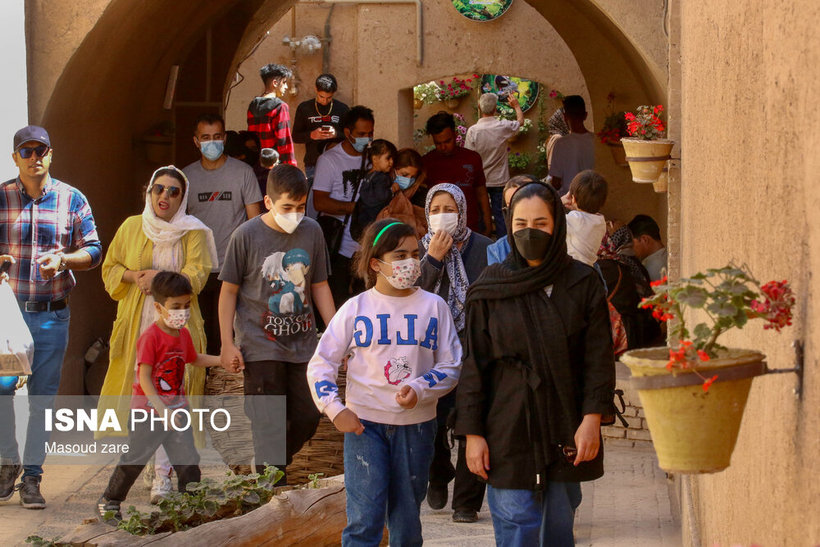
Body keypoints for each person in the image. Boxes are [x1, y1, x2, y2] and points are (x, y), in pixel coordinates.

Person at [455, 181, 615, 546]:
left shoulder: (583, 281)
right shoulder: (489, 287)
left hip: (565, 416)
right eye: (521, 223)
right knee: (515, 521)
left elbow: (598, 357)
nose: (530, 232)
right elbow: (474, 365)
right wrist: (472, 434)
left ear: (557, 224)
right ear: (509, 225)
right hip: (505, 421)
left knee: (558, 525)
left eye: (541, 224)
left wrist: (593, 419)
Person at [307, 219, 462, 546]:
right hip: (365, 428)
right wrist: (335, 410)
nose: (410, 262)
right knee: (364, 521)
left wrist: (420, 388)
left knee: (406, 522)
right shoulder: (354, 309)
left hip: (417, 428)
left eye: (414, 254)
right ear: (376, 263)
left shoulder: (435, 307)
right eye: (400, 255)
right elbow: (321, 363)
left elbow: (451, 365)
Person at [97, 166, 217, 502]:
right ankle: (148, 464)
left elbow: (198, 273)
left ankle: (162, 475)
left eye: (174, 191)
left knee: (173, 394)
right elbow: (110, 268)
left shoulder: (193, 231)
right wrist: (135, 276)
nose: (165, 196)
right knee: (145, 398)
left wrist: (161, 279)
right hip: (141, 323)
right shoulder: (132, 226)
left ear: (183, 197)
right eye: (159, 189)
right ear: (149, 192)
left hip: (178, 326)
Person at [0, 126, 102, 509]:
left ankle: (33, 478)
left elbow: (94, 251)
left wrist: (63, 259)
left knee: (42, 400)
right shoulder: (2, 196)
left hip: (50, 316)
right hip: (9, 321)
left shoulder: (72, 199)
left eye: (40, 150)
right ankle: (7, 461)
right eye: (25, 151)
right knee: (2, 390)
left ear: (50, 155)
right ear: (15, 158)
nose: (33, 158)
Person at [219, 164, 335, 479]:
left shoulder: (312, 231)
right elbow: (228, 292)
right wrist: (227, 344)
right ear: (268, 202)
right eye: (287, 207)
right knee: (267, 423)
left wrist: (338, 335)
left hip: (303, 345)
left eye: (301, 207)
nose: (295, 214)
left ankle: (271, 470)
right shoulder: (245, 236)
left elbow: (319, 285)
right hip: (259, 345)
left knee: (308, 416)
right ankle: (271, 487)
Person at [96, 271, 226, 523]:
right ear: (159, 307)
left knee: (188, 462)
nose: (182, 312)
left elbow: (195, 358)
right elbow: (143, 377)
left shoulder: (184, 335)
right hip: (148, 413)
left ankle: (192, 507)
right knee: (134, 459)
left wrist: (221, 360)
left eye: (186, 306)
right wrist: (160, 410)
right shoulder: (150, 337)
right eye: (176, 307)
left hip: (178, 412)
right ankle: (110, 501)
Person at [418, 184, 491, 524]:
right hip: (431, 353)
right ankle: (438, 470)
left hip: (474, 348)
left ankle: (466, 502)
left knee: (471, 422)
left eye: (449, 208)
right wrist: (433, 257)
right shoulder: (416, 252)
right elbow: (411, 295)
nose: (441, 215)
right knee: (431, 423)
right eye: (435, 209)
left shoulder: (485, 249)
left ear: (461, 212)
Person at [183, 113, 264, 356]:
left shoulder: (243, 173)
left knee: (235, 336)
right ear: (196, 141)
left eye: (217, 137)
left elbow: (255, 222)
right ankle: (206, 389)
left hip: (234, 269)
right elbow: (177, 226)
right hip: (198, 269)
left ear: (225, 138)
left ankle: (232, 388)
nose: (212, 142)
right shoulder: (185, 177)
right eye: (205, 138)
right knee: (202, 335)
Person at [312, 105, 374, 308]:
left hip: (368, 248)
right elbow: (319, 202)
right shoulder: (329, 160)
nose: (367, 138)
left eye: (370, 133)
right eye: (361, 134)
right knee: (341, 304)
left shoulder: (373, 158)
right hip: (340, 246)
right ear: (347, 132)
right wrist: (356, 208)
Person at [422, 112, 492, 235]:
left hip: (471, 228)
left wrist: (488, 224)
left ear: (455, 135)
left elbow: (481, 192)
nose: (443, 147)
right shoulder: (426, 162)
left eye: (447, 141)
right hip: (440, 232)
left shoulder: (472, 158)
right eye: (438, 143)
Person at [464, 92, 524, 238]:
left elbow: (468, 157)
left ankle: (483, 245)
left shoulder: (473, 131)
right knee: (501, 215)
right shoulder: (502, 126)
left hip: (480, 181)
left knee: (481, 216)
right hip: (499, 179)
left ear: (479, 107)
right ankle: (503, 248)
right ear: (495, 108)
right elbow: (520, 122)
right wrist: (516, 106)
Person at [292, 73, 349, 182]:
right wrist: (312, 135)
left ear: (334, 93)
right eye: (321, 96)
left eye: (329, 98)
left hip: (337, 162)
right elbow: (295, 136)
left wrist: (336, 134)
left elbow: (351, 137)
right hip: (313, 163)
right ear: (316, 90)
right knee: (313, 196)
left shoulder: (342, 109)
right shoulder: (304, 108)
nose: (324, 101)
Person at [247, 63, 297, 166]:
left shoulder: (252, 105)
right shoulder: (280, 107)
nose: (286, 87)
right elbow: (284, 141)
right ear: (275, 83)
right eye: (284, 82)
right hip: (274, 165)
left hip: (255, 164)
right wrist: (290, 166)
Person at [373, 148, 428, 238]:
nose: (408, 180)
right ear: (393, 170)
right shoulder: (378, 191)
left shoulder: (422, 196)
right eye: (404, 175)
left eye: (413, 177)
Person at [548, 95, 595, 196]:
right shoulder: (595, 141)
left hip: (569, 200)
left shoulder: (561, 144)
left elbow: (556, 183)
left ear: (565, 117)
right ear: (585, 115)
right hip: (593, 197)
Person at [351, 138, 397, 239]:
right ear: (375, 159)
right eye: (388, 158)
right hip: (375, 219)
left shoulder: (367, 175)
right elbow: (381, 196)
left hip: (363, 219)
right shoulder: (381, 178)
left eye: (393, 159)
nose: (391, 162)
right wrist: (392, 190)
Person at [561, 170, 608, 266]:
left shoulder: (575, 219)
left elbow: (551, 217)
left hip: (573, 268)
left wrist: (560, 201)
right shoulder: (600, 221)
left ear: (573, 198)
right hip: (589, 268)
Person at [486, 174, 531, 265]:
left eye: (521, 201)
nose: (517, 209)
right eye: (510, 204)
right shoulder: (498, 250)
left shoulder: (558, 240)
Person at [628, 214, 667, 282]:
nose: (630, 249)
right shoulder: (667, 256)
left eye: (632, 243)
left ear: (644, 239)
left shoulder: (653, 267)